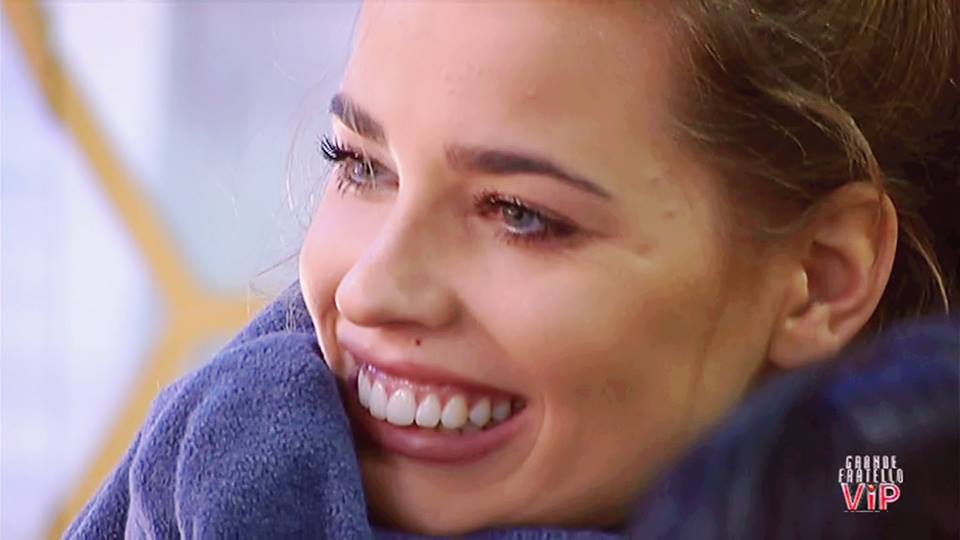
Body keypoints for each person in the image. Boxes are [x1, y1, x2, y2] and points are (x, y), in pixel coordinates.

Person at [70, 1, 958, 537]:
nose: (372, 289)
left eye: (520, 214)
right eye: (360, 165)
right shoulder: (206, 469)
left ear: (822, 279)